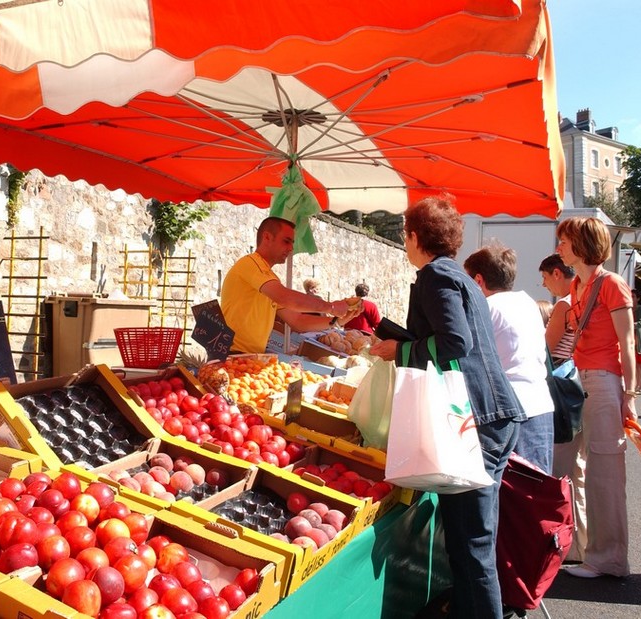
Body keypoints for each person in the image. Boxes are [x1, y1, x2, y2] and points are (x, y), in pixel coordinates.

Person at [370, 196, 524, 619]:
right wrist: (381, 328)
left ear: (415, 236)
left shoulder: (435, 276)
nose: (405, 241)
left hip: (478, 422)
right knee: (467, 540)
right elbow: (438, 334)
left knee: (472, 544)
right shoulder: (454, 275)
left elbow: (456, 343)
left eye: (405, 234)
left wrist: (401, 354)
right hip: (490, 416)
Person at [553, 217, 636, 580]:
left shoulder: (612, 284)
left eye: (564, 241)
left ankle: (611, 560)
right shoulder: (578, 288)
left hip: (603, 382)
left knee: (604, 473)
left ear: (582, 244)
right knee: (565, 467)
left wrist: (630, 395)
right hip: (581, 381)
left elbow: (628, 342)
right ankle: (583, 548)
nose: (559, 247)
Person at [465, 244, 555, 474]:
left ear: (478, 280)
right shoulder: (527, 303)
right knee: (535, 490)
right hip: (540, 404)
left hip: (510, 411)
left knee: (509, 497)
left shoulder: (488, 307)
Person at [220, 217, 360, 353]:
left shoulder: (269, 279)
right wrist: (332, 307)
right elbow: (285, 297)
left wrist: (337, 321)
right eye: (286, 241)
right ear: (267, 237)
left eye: (292, 242)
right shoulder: (250, 264)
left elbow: (298, 321)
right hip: (231, 354)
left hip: (248, 356)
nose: (291, 248)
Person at [538, 254, 577, 365]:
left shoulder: (564, 304)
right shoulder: (578, 299)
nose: (543, 284)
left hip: (559, 369)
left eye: (545, 277)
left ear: (556, 274)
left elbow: (546, 347)